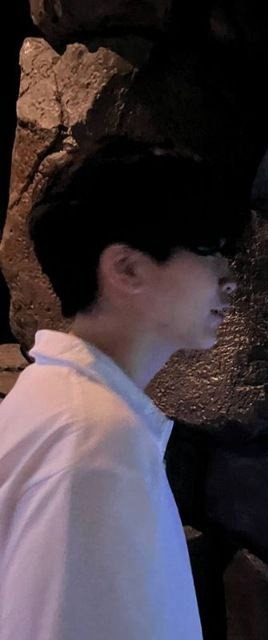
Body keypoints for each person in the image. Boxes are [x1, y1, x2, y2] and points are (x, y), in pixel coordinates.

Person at [0, 138, 248, 639]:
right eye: (211, 252)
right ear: (126, 268)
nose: (230, 280)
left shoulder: (58, 399)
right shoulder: (95, 440)